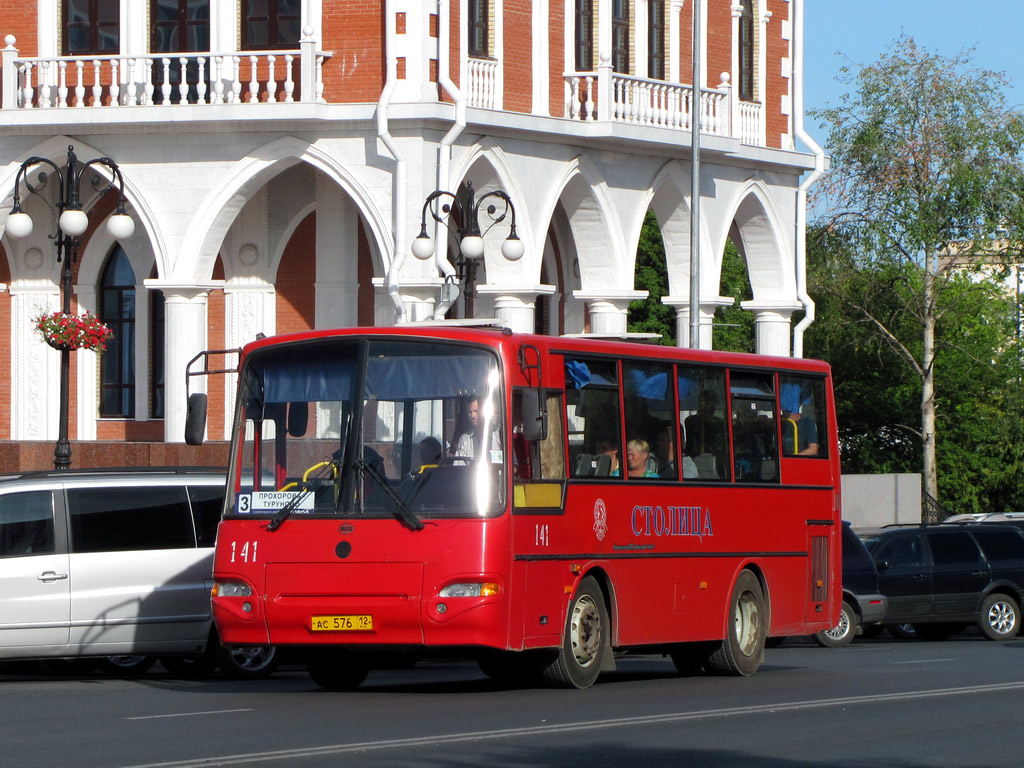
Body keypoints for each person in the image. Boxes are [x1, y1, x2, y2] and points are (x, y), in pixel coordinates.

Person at [684, 389, 728, 478]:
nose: (713, 407)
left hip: (714, 462)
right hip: (697, 462)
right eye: (710, 403)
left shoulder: (691, 421)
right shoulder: (692, 421)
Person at [451, 395, 501, 462]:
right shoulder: (464, 439)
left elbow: (513, 467)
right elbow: (459, 468)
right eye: (469, 412)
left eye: (476, 411)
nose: (472, 415)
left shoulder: (498, 436)